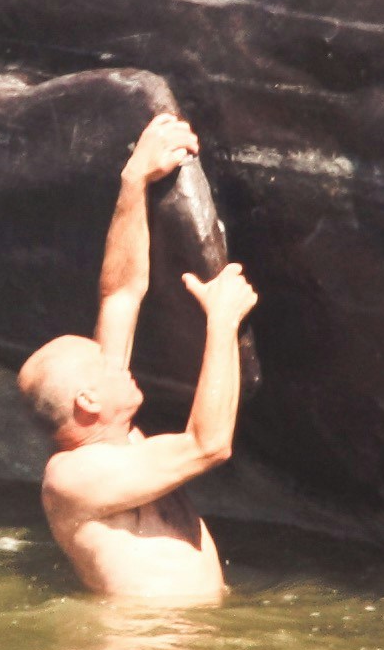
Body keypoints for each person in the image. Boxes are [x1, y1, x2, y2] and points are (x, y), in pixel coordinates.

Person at [16, 112, 260, 604]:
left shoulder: (118, 436)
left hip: (187, 644)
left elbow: (121, 294)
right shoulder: (71, 479)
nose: (117, 360)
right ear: (88, 402)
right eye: (102, 361)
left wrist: (135, 180)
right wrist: (222, 321)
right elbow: (208, 444)